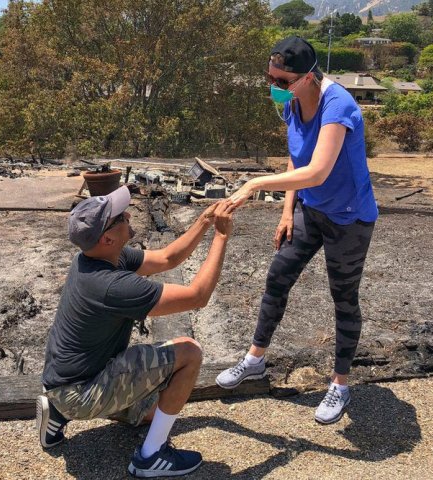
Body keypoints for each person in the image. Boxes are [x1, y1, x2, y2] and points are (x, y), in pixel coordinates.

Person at [215, 36, 378, 425]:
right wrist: (288, 210)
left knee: (343, 297)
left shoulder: (338, 106)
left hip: (349, 217)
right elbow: (296, 157)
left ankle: (340, 383)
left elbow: (319, 170)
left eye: (283, 81)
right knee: (278, 276)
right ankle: (255, 359)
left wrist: (254, 185)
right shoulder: (291, 103)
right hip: (311, 208)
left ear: (308, 77)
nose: (275, 86)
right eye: (270, 78)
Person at [37, 185, 236, 477]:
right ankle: (151, 456)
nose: (128, 215)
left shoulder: (95, 259)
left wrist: (205, 220)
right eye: (120, 217)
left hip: (63, 382)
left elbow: (168, 258)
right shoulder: (112, 286)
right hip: (82, 392)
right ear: (107, 238)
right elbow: (198, 296)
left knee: (154, 412)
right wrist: (221, 235)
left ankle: (57, 411)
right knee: (189, 352)